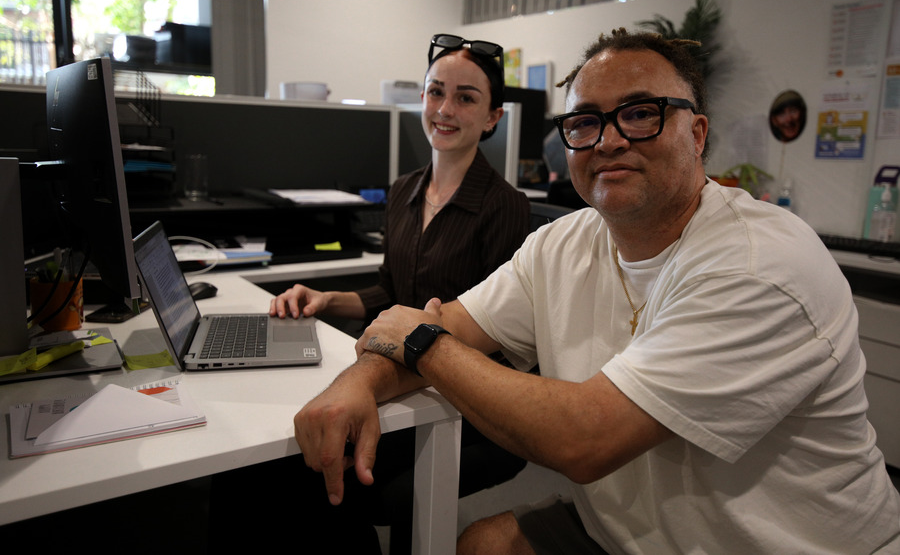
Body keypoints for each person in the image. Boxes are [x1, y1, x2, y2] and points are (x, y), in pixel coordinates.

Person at [295, 28, 900, 554]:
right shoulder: (564, 241)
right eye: (585, 122)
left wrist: (420, 340)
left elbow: (582, 438)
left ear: (698, 133)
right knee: (480, 544)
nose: (609, 139)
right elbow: (449, 322)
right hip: (627, 532)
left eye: (641, 113)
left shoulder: (758, 264)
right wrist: (357, 382)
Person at [210, 34, 530, 554]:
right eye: (435, 92)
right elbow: (389, 290)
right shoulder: (404, 189)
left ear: (492, 117)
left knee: (304, 478)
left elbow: (495, 332)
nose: (445, 110)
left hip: (459, 403)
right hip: (394, 375)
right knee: (261, 462)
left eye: (466, 98)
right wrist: (325, 298)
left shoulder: (504, 206)